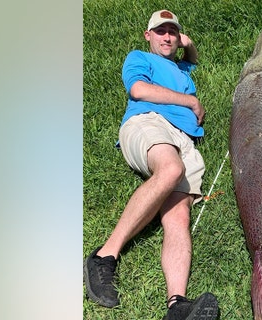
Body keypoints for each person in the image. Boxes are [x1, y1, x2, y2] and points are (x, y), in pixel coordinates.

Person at [84, 9, 219, 320]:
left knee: (178, 215)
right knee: (170, 170)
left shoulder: (182, 69)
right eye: (161, 31)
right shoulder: (139, 58)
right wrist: (191, 101)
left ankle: (177, 305)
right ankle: (103, 256)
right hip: (149, 123)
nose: (167, 37)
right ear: (148, 36)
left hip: (183, 140)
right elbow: (138, 90)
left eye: (172, 31)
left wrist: (190, 42)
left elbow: (193, 60)